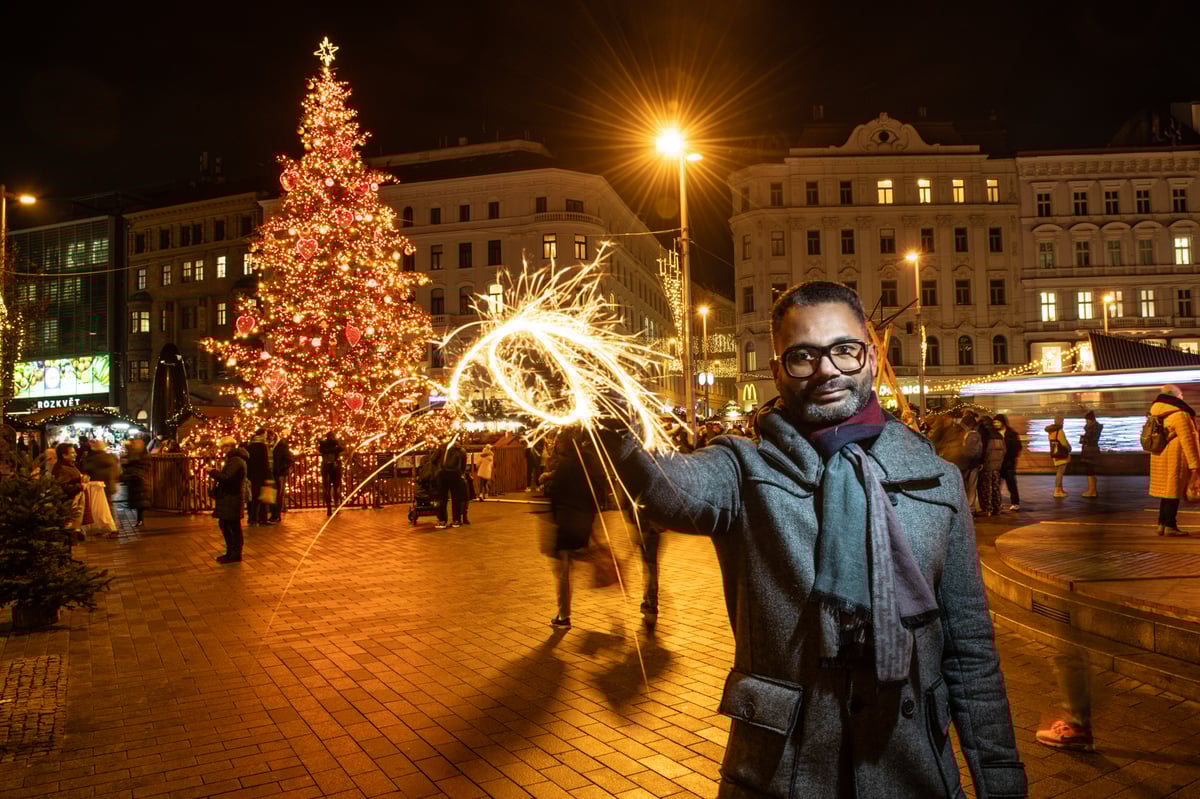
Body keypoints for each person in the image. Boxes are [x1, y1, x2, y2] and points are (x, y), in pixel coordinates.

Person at [604, 281, 1026, 797]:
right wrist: (607, 417)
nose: (827, 369)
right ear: (778, 369)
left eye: (843, 350)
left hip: (912, 767)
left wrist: (1001, 780)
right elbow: (669, 489)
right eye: (803, 355)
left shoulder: (934, 479)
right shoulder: (744, 468)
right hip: (785, 772)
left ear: (869, 357)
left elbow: (970, 650)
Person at [545, 426, 614, 630]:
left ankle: (564, 615)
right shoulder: (591, 462)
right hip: (585, 520)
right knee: (588, 556)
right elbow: (600, 488)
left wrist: (547, 482)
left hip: (567, 522)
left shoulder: (565, 465)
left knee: (564, 569)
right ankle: (616, 595)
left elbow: (555, 494)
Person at [1148, 385, 1200, 536]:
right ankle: (1170, 526)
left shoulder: (1155, 413)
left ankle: (1162, 524)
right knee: (1173, 493)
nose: (1182, 397)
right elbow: (1189, 442)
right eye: (1181, 394)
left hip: (1160, 458)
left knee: (1167, 493)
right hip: (1176, 459)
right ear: (1174, 396)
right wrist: (1195, 465)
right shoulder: (1180, 415)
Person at [208, 436, 248, 563]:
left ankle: (234, 554)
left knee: (231, 526)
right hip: (230, 498)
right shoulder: (234, 459)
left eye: (223, 447)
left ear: (230, 446)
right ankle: (231, 552)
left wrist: (212, 471)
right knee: (227, 525)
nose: (222, 450)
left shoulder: (235, 460)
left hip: (232, 498)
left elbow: (227, 478)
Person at [80, 439, 120, 537]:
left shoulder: (91, 459)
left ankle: (107, 528)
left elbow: (85, 470)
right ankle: (111, 528)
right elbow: (118, 472)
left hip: (96, 487)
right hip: (108, 486)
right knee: (108, 507)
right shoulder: (111, 457)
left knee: (98, 508)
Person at [52, 442, 86, 541]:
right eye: (72, 453)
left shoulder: (70, 465)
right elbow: (64, 488)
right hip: (68, 505)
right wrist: (80, 485)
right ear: (64, 455)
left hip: (73, 503)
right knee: (68, 528)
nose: (75, 454)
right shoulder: (62, 468)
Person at [435, 436, 468, 529]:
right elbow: (463, 465)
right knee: (456, 498)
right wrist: (460, 472)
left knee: (442, 498)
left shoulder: (442, 447)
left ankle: (442, 521)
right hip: (456, 476)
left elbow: (433, 459)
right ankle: (456, 521)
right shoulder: (461, 449)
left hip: (442, 475)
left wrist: (439, 468)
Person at [976, 415, 1005, 516]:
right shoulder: (999, 435)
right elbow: (1004, 451)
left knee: (985, 488)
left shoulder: (984, 435)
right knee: (995, 488)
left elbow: (982, 451)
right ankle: (997, 508)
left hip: (986, 466)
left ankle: (986, 509)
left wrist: (980, 462)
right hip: (997, 466)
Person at [994, 414, 1022, 511]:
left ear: (1003, 422)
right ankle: (997, 504)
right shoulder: (994, 434)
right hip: (998, 464)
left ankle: (1015, 503)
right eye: (995, 422)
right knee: (996, 485)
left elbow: (1018, 447)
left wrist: (1012, 457)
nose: (996, 424)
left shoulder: (1011, 433)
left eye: (998, 422)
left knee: (1011, 484)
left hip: (1009, 463)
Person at [121, 439, 151, 527]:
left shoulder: (141, 456)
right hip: (136, 480)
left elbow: (143, 466)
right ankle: (140, 520)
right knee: (138, 501)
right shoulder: (134, 455)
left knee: (140, 501)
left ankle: (140, 520)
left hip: (139, 480)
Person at [245, 428, 270, 526]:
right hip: (261, 475)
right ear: (263, 434)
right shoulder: (263, 446)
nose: (266, 436)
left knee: (253, 498)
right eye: (266, 434)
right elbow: (265, 463)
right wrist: (267, 475)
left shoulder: (250, 445)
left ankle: (251, 518)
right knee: (262, 498)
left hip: (251, 475)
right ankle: (261, 519)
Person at [1045, 415, 1071, 498]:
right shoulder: (1059, 431)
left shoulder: (1051, 431)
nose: (1063, 422)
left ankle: (1060, 490)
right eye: (1062, 421)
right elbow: (1064, 443)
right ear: (1060, 421)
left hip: (1056, 454)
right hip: (1062, 454)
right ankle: (1057, 491)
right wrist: (1069, 448)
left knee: (1059, 472)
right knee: (1060, 472)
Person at [270, 430, 293, 522]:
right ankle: (274, 514)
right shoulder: (271, 446)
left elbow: (289, 459)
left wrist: (281, 469)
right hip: (273, 473)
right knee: (273, 494)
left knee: (278, 495)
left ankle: (276, 515)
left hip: (279, 474)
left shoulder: (281, 445)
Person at [1079, 411, 1103, 498]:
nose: (1086, 422)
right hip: (1094, 450)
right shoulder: (1096, 427)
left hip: (1090, 451)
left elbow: (1087, 439)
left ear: (1090, 420)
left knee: (1089, 471)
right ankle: (1093, 490)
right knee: (1091, 470)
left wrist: (1083, 438)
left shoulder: (1091, 429)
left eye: (1087, 421)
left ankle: (1091, 491)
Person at [319, 431, 344, 516]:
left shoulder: (323, 445)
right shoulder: (335, 445)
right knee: (336, 487)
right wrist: (336, 445)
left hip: (325, 467)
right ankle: (336, 506)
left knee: (327, 488)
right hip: (335, 467)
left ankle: (329, 508)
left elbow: (321, 450)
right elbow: (342, 449)